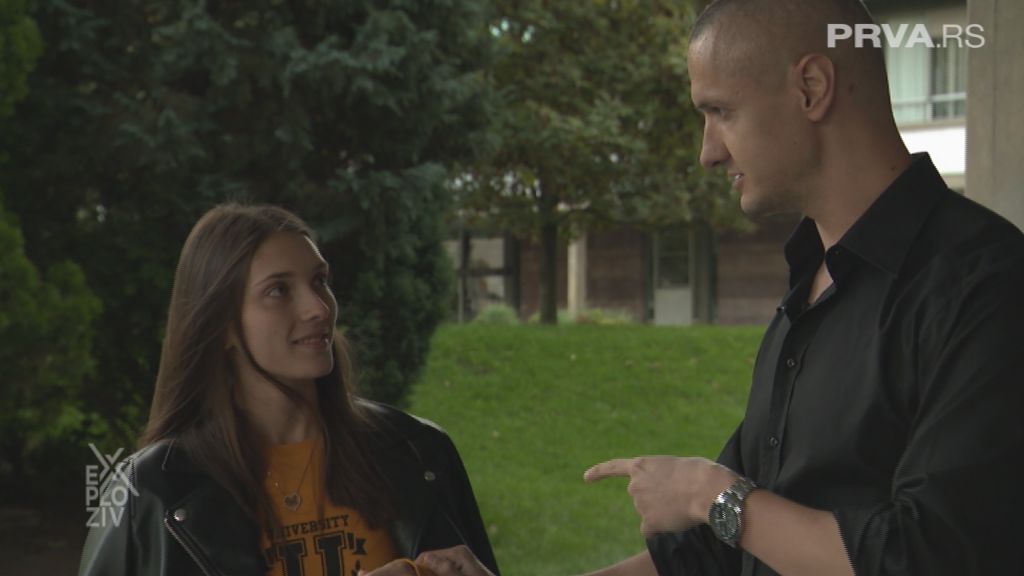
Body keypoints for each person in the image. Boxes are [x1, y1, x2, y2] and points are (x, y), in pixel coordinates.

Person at [583, 1, 1024, 575]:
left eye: (721, 111)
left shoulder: (985, 282)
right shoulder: (808, 286)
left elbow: (925, 557)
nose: (708, 153)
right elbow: (725, 547)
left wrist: (708, 494)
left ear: (812, 88)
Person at [79, 204, 500, 576]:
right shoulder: (149, 491)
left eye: (320, 280)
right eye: (278, 290)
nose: (319, 307)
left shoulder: (419, 452)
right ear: (221, 324)